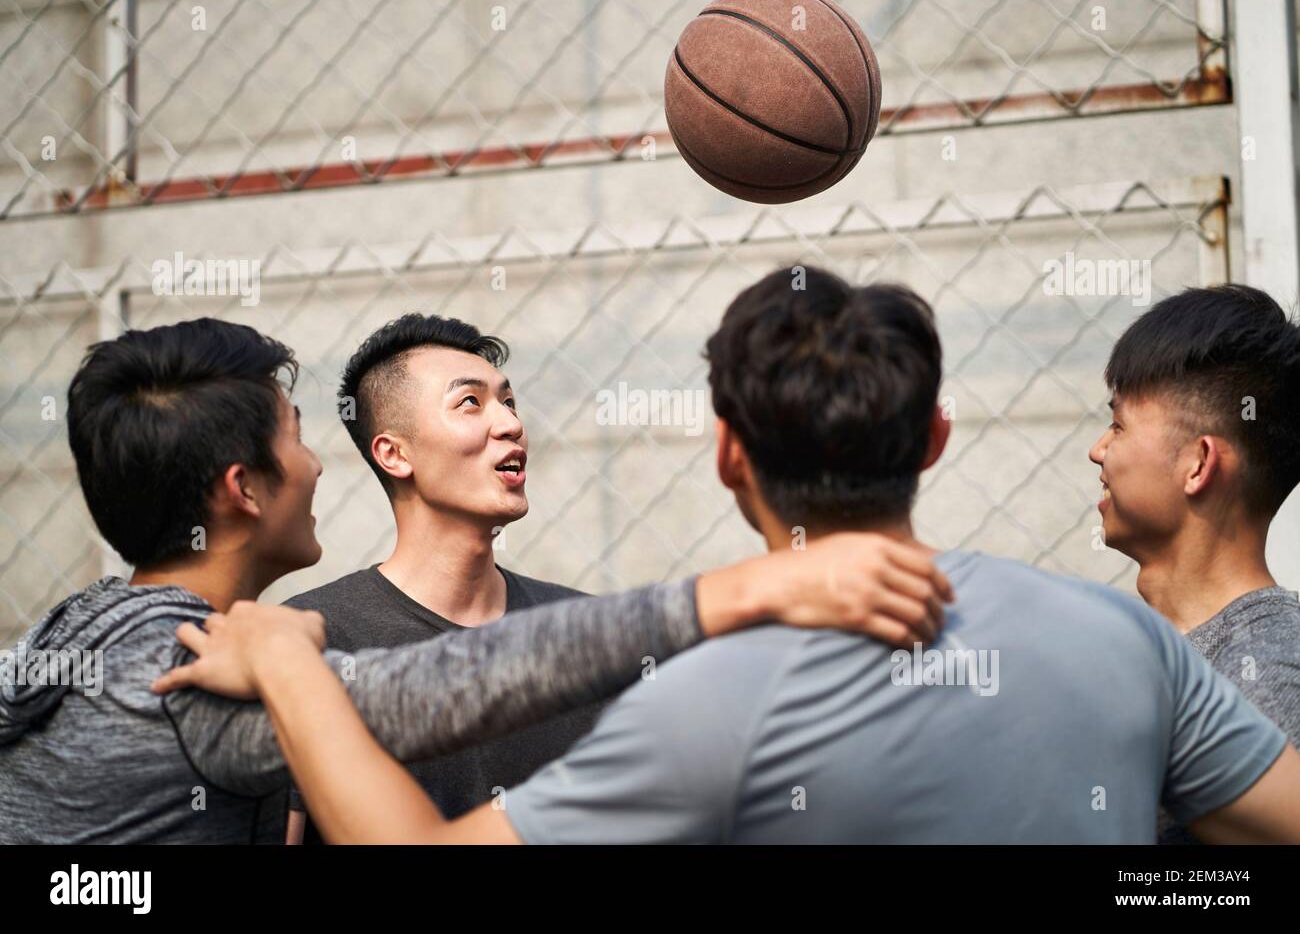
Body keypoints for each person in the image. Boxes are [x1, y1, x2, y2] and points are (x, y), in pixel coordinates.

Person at [163, 268, 1300, 844]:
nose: (507, 424)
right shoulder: (1123, 640)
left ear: (727, 456)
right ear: (936, 437)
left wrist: (290, 666)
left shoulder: (718, 696)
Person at [0, 317, 950, 843]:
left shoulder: (81, 637)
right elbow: (443, 687)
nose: (319, 467)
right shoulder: (191, 672)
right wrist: (744, 592)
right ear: (241, 489)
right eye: (295, 442)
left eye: (510, 400)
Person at [282, 315, 599, 841]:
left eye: (509, 402)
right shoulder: (310, 638)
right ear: (394, 453)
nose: (510, 424)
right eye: (470, 403)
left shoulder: (586, 633)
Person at [1087, 284, 1300, 843]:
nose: (1097, 450)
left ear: (1198, 463)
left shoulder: (1266, 669)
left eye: (1119, 424)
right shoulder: (1151, 649)